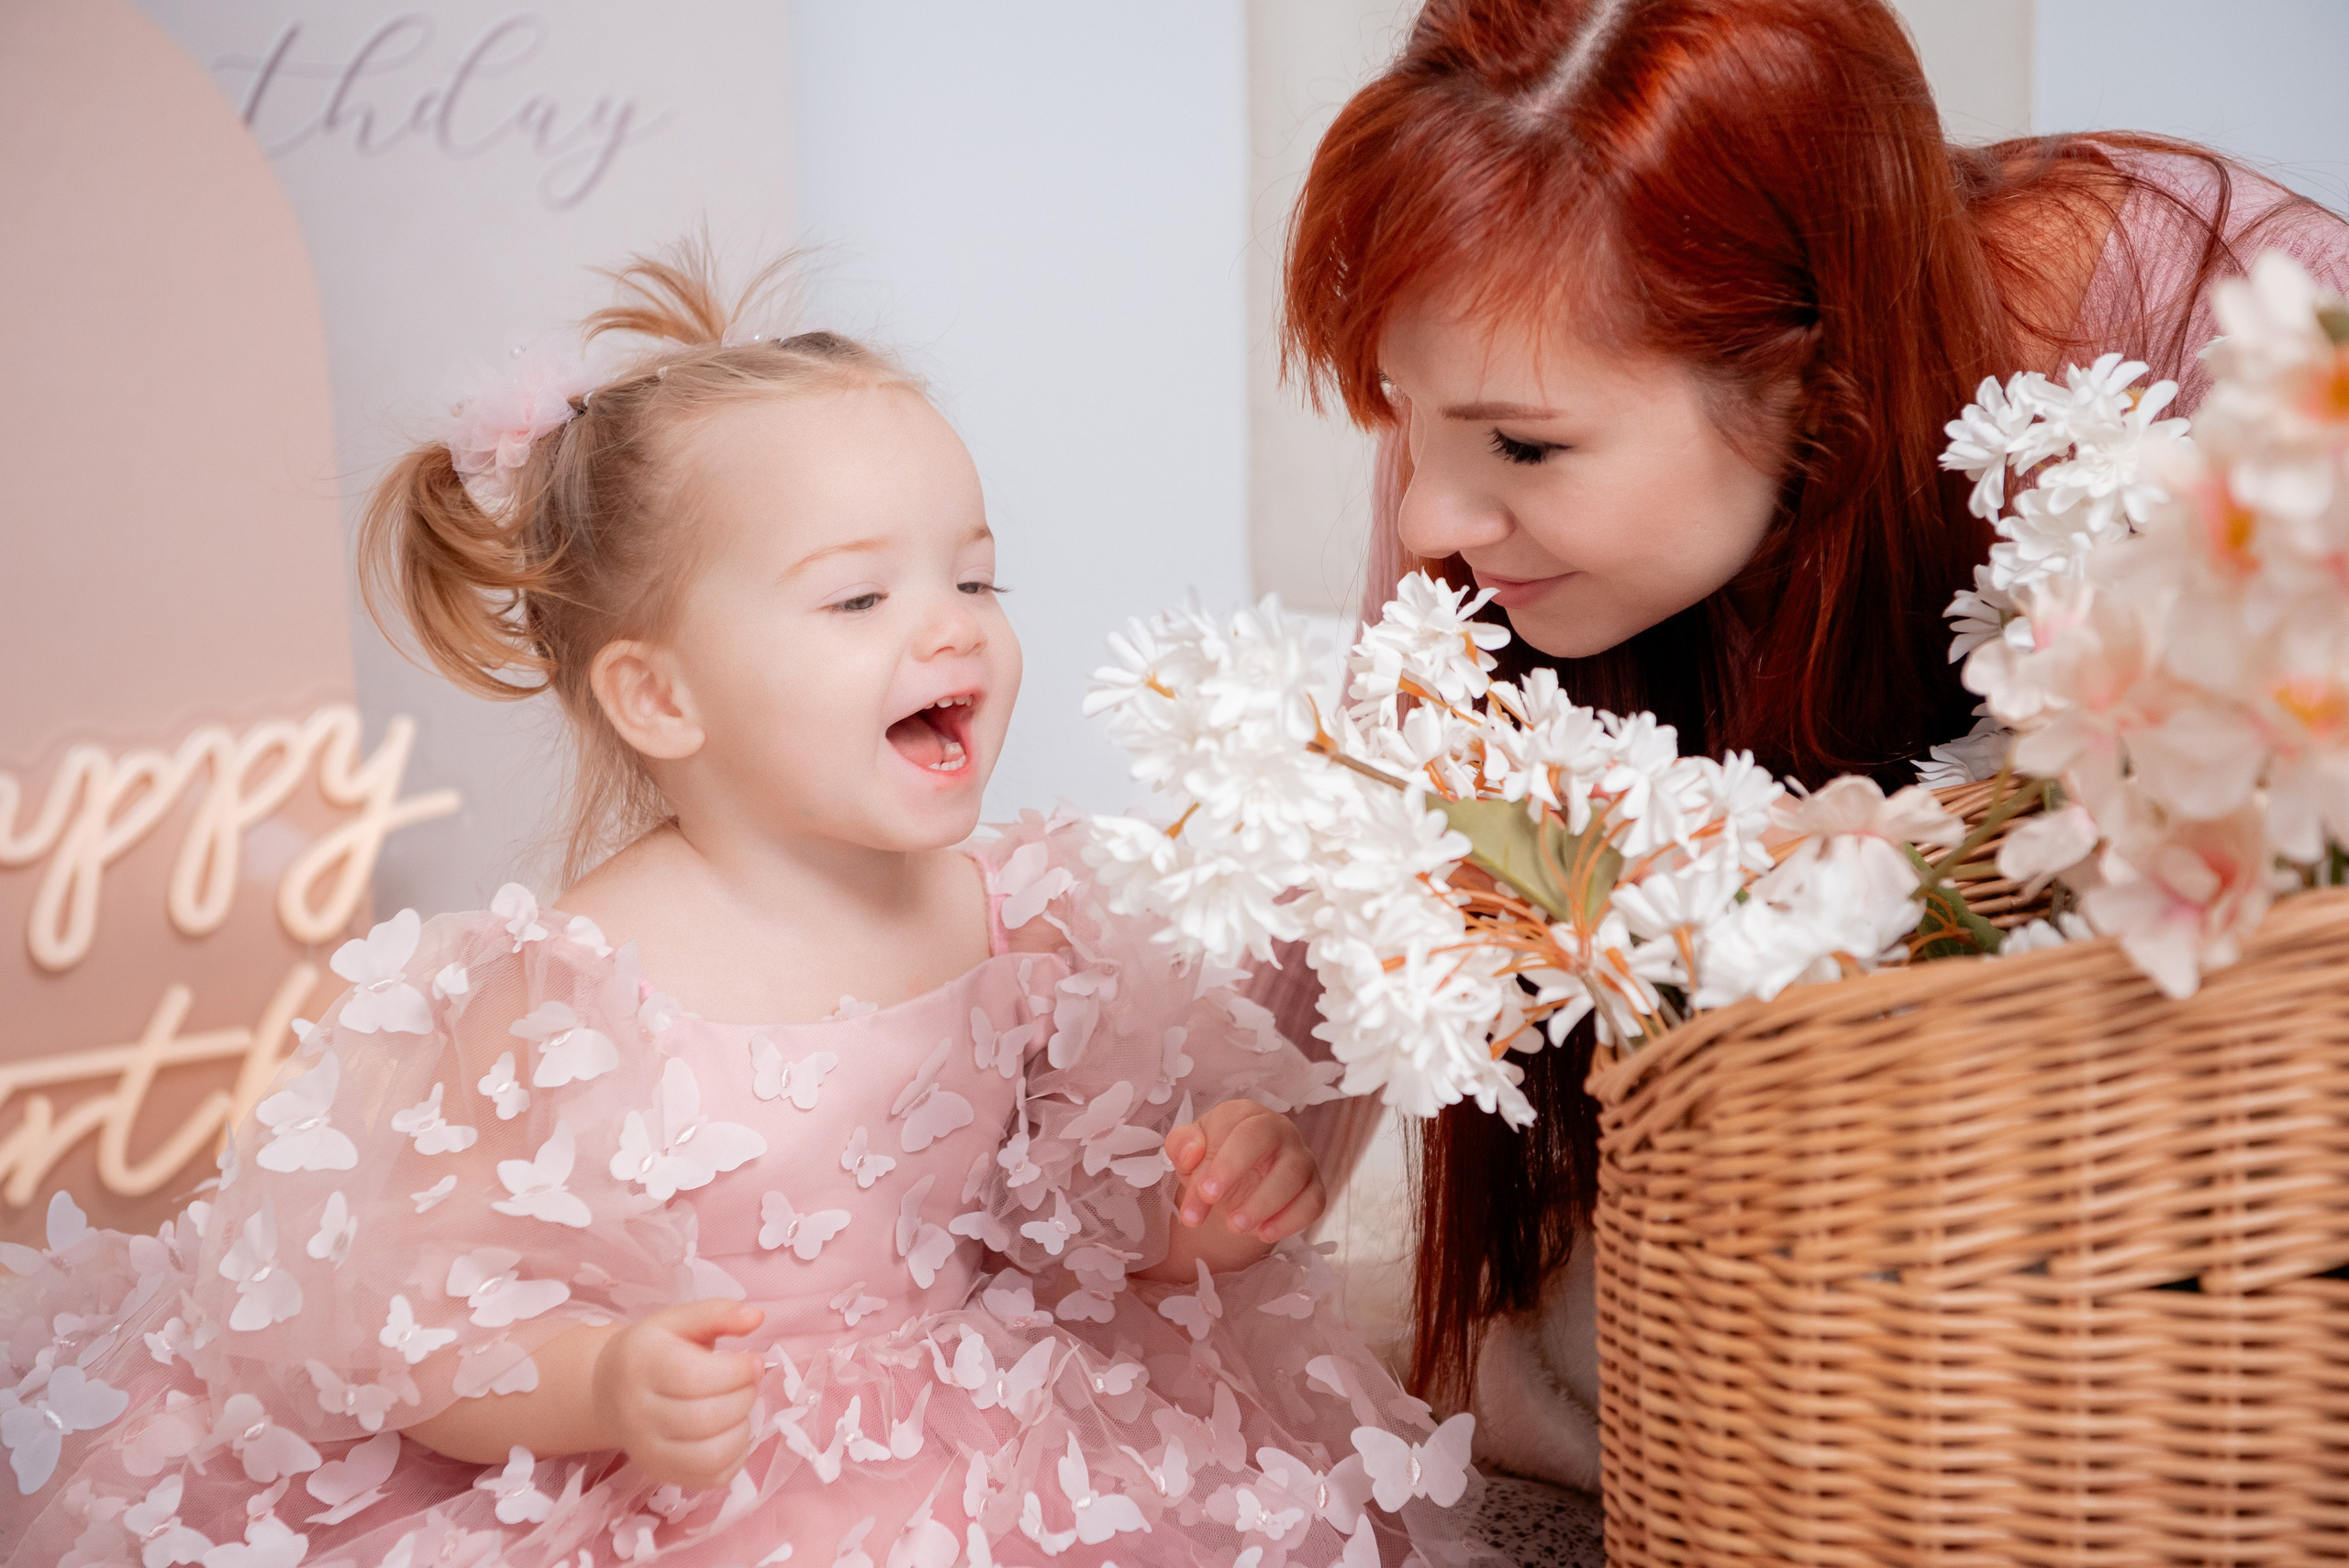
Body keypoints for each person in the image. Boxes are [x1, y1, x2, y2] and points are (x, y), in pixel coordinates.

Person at [2, 250, 1504, 1568]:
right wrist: (600, 1381)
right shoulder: (573, 983)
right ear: (660, 694)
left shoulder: (1022, 916)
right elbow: (412, 1334)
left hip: (991, 1433)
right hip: (704, 1478)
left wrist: (1195, 1214)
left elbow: (1073, 1235)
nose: (949, 624)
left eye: (977, 577)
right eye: (859, 600)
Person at [1269, 0, 2349, 1531]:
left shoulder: (2228, 328)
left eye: (1520, 451)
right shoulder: (1494, 400)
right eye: (1400, 414)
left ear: (1800, 366)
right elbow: (1385, 798)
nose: (1433, 515)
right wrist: (1261, 1154)